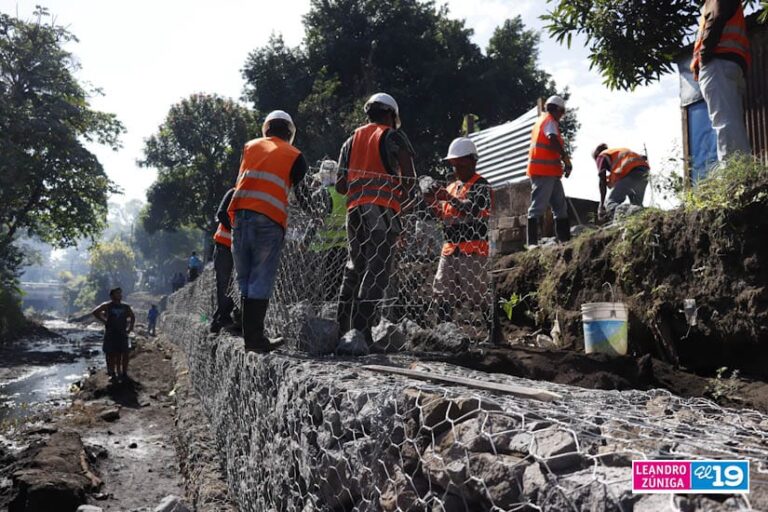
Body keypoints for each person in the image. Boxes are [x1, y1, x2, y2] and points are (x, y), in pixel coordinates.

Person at [335, 92, 417, 343]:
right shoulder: (393, 136)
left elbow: (340, 185)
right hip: (381, 210)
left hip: (354, 211)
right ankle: (362, 332)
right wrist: (402, 193)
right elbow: (410, 179)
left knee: (354, 266)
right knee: (377, 269)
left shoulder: (350, 141)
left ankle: (342, 329)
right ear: (391, 115)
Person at [227, 110, 310, 352]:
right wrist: (316, 212)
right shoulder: (294, 155)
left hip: (240, 217)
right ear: (290, 132)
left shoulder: (249, 147)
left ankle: (247, 334)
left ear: (266, 128)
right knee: (260, 278)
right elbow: (303, 194)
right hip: (269, 220)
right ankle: (255, 339)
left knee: (244, 278)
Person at [426, 138, 492, 323]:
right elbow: (443, 215)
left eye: (460, 165)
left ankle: (494, 332)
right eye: (454, 165)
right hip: (450, 249)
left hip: (472, 250)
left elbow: (472, 209)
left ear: (472, 161)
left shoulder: (481, 185)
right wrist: (431, 201)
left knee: (478, 295)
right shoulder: (451, 187)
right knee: (442, 292)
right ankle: (444, 332)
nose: (457, 169)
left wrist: (447, 197)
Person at [690, 0, 751, 163]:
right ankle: (743, 168)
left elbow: (715, 18)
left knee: (724, 121)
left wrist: (704, 56)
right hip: (731, 63)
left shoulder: (713, 2)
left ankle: (732, 169)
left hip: (717, 62)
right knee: (732, 120)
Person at [526, 95, 573, 247]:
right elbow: (552, 139)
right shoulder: (549, 121)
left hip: (551, 173)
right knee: (538, 207)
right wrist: (565, 158)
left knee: (560, 207)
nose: (562, 116)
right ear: (557, 109)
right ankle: (532, 243)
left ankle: (565, 241)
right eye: (562, 112)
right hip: (543, 172)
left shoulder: (542, 121)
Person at [308, 160, 348, 303]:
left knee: (323, 286)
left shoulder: (321, 194)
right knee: (338, 283)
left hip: (323, 248)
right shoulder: (347, 194)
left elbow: (314, 221)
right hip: (344, 247)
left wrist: (305, 241)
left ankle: (324, 309)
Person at [592, 144, 651, 220]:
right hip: (644, 172)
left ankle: (623, 220)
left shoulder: (601, 156)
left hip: (631, 173)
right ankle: (643, 220)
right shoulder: (617, 153)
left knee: (610, 203)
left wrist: (601, 205)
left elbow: (602, 180)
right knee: (637, 205)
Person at [91, 288, 135, 383]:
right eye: (117, 293)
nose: (119, 295)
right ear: (111, 296)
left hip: (122, 333)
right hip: (110, 333)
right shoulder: (107, 305)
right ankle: (112, 373)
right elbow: (95, 312)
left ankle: (123, 373)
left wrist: (130, 328)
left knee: (124, 353)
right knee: (110, 354)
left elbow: (132, 317)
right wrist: (104, 321)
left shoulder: (125, 307)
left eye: (120, 293)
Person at [210, 188, 236, 333]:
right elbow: (221, 214)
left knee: (233, 285)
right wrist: (236, 230)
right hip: (225, 246)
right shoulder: (233, 193)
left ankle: (219, 319)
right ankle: (223, 317)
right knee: (225, 283)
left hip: (240, 249)